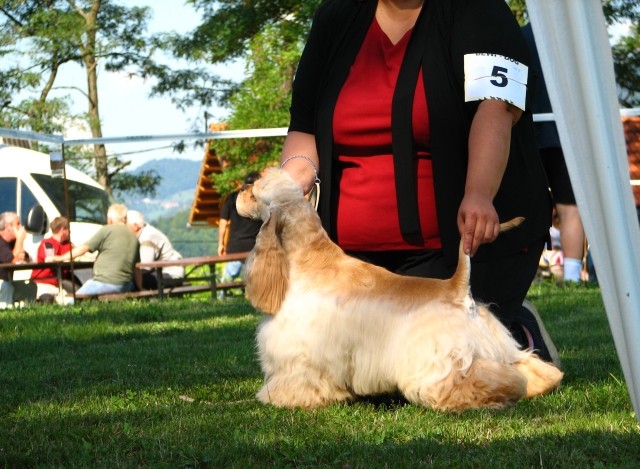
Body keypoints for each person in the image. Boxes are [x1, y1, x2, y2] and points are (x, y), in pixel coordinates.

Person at [278, 0, 559, 364]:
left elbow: (498, 107)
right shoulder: (336, 16)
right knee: (361, 374)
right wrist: (289, 187)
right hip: (349, 262)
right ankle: (492, 333)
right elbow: (304, 125)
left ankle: (514, 331)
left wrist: (478, 193)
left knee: (427, 368)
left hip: (455, 249)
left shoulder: (479, 11)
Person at [522, 22, 586, 284]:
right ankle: (571, 277)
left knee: (526, 207)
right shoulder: (573, 38)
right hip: (565, 135)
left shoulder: (518, 35)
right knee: (570, 208)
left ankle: (527, 274)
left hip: (529, 134)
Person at [51, 204, 141, 295]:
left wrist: (59, 258)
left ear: (109, 219)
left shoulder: (107, 230)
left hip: (104, 282)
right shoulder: (134, 238)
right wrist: (141, 289)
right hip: (126, 285)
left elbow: (83, 248)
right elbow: (137, 268)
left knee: (72, 302)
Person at [218, 172, 262, 281]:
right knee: (255, 281)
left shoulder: (233, 198)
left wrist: (221, 244)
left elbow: (223, 223)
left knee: (227, 281)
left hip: (235, 247)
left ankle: (221, 297)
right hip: (254, 247)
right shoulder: (260, 200)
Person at [126, 210, 184, 289]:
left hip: (170, 275)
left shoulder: (146, 238)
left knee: (133, 279)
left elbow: (145, 268)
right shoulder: (145, 232)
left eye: (126, 226)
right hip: (164, 272)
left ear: (135, 226)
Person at [29, 216, 76, 303]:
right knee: (47, 299)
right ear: (63, 230)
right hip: (43, 283)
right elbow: (49, 259)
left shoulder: (68, 245)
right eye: (69, 229)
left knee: (74, 299)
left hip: (59, 284)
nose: (70, 232)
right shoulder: (47, 243)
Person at [0, 211, 35, 308]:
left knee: (30, 287)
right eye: (18, 224)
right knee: (7, 287)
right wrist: (20, 239)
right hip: (2, 282)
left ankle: (28, 315)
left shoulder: (12, 242)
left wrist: (25, 256)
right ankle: (6, 315)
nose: (21, 227)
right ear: (8, 227)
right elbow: (12, 261)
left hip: (7, 281)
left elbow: (26, 258)